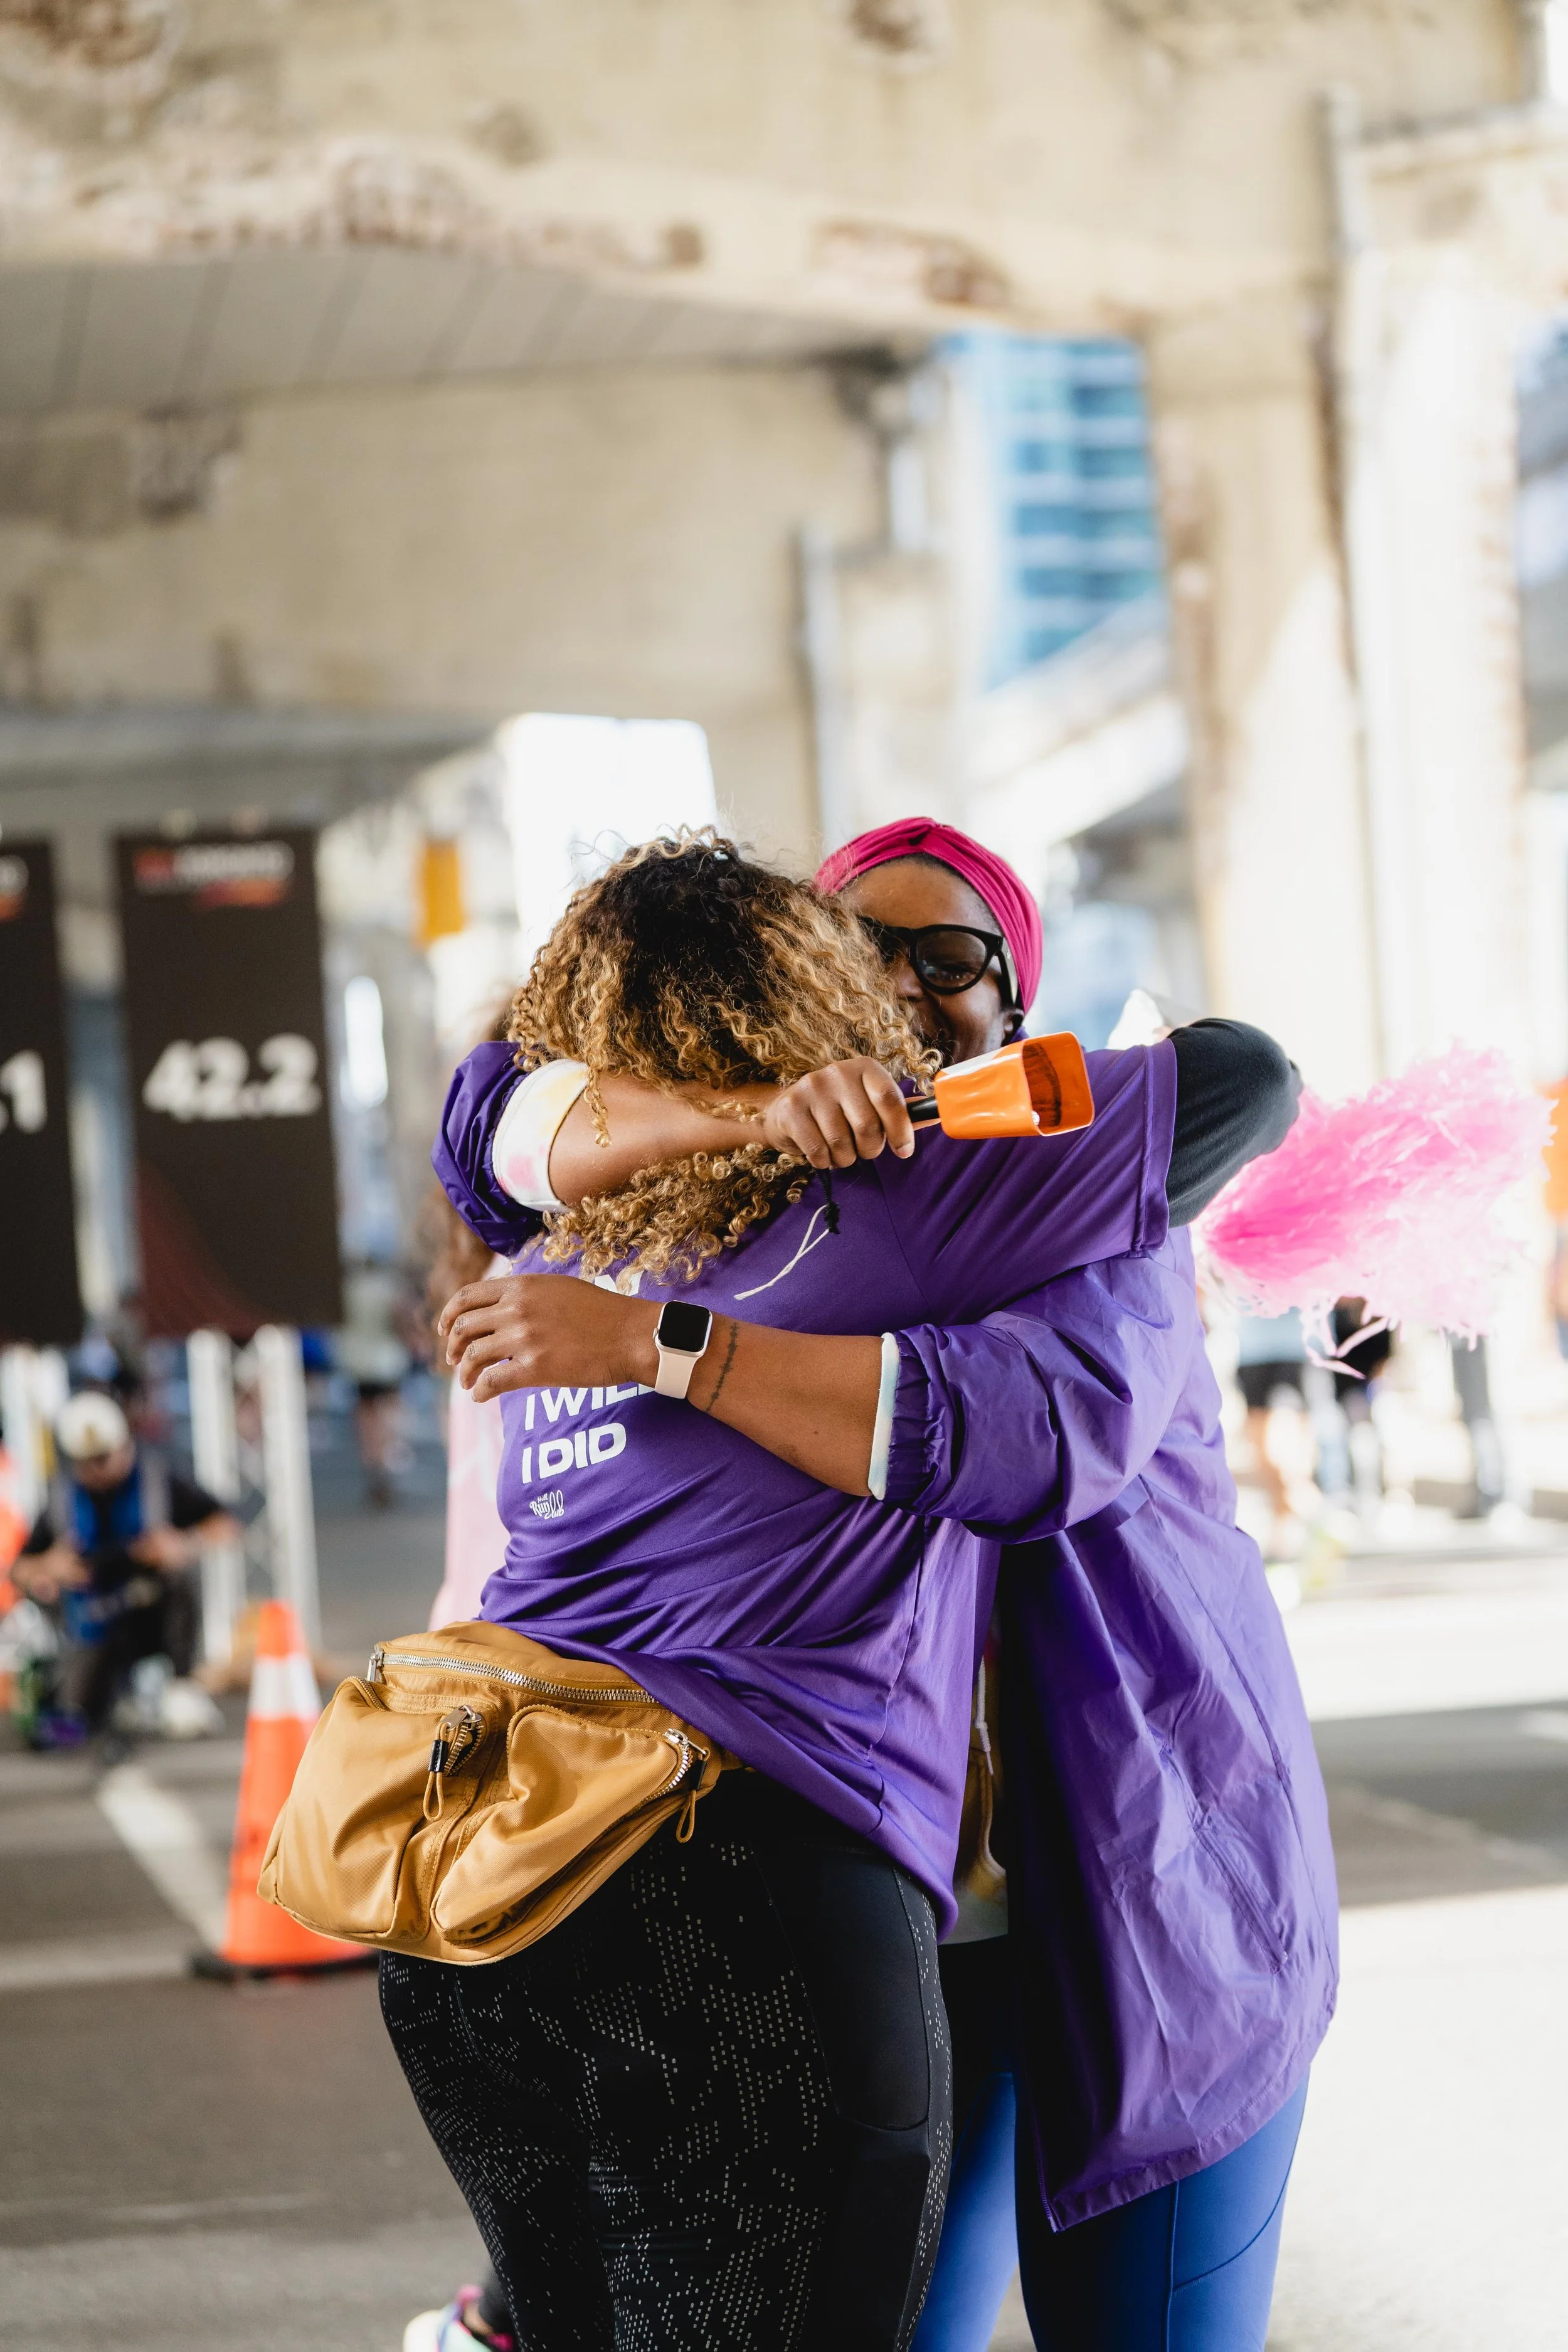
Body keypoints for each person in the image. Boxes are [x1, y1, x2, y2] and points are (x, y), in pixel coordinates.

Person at [410, 833, 1331, 2351]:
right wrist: (745, 1111)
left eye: (952, 958)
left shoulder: (1071, 1189)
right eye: (862, 945)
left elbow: (1044, 1436)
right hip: (896, 1901)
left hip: (1152, 1875)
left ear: (1016, 999)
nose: (905, 981)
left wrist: (674, 1350)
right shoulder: (724, 1193)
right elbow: (478, 1107)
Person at [10, 1391, 238, 1743]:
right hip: (93, 1618)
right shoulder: (61, 1499)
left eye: (104, 1458)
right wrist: (49, 1566)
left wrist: (182, 1544)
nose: (98, 1470)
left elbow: (224, 1524)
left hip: (150, 1606)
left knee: (180, 1579)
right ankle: (107, 1699)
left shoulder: (158, 1479)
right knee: (75, 1719)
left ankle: (182, 1686)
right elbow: (19, 1569)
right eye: (87, 1462)